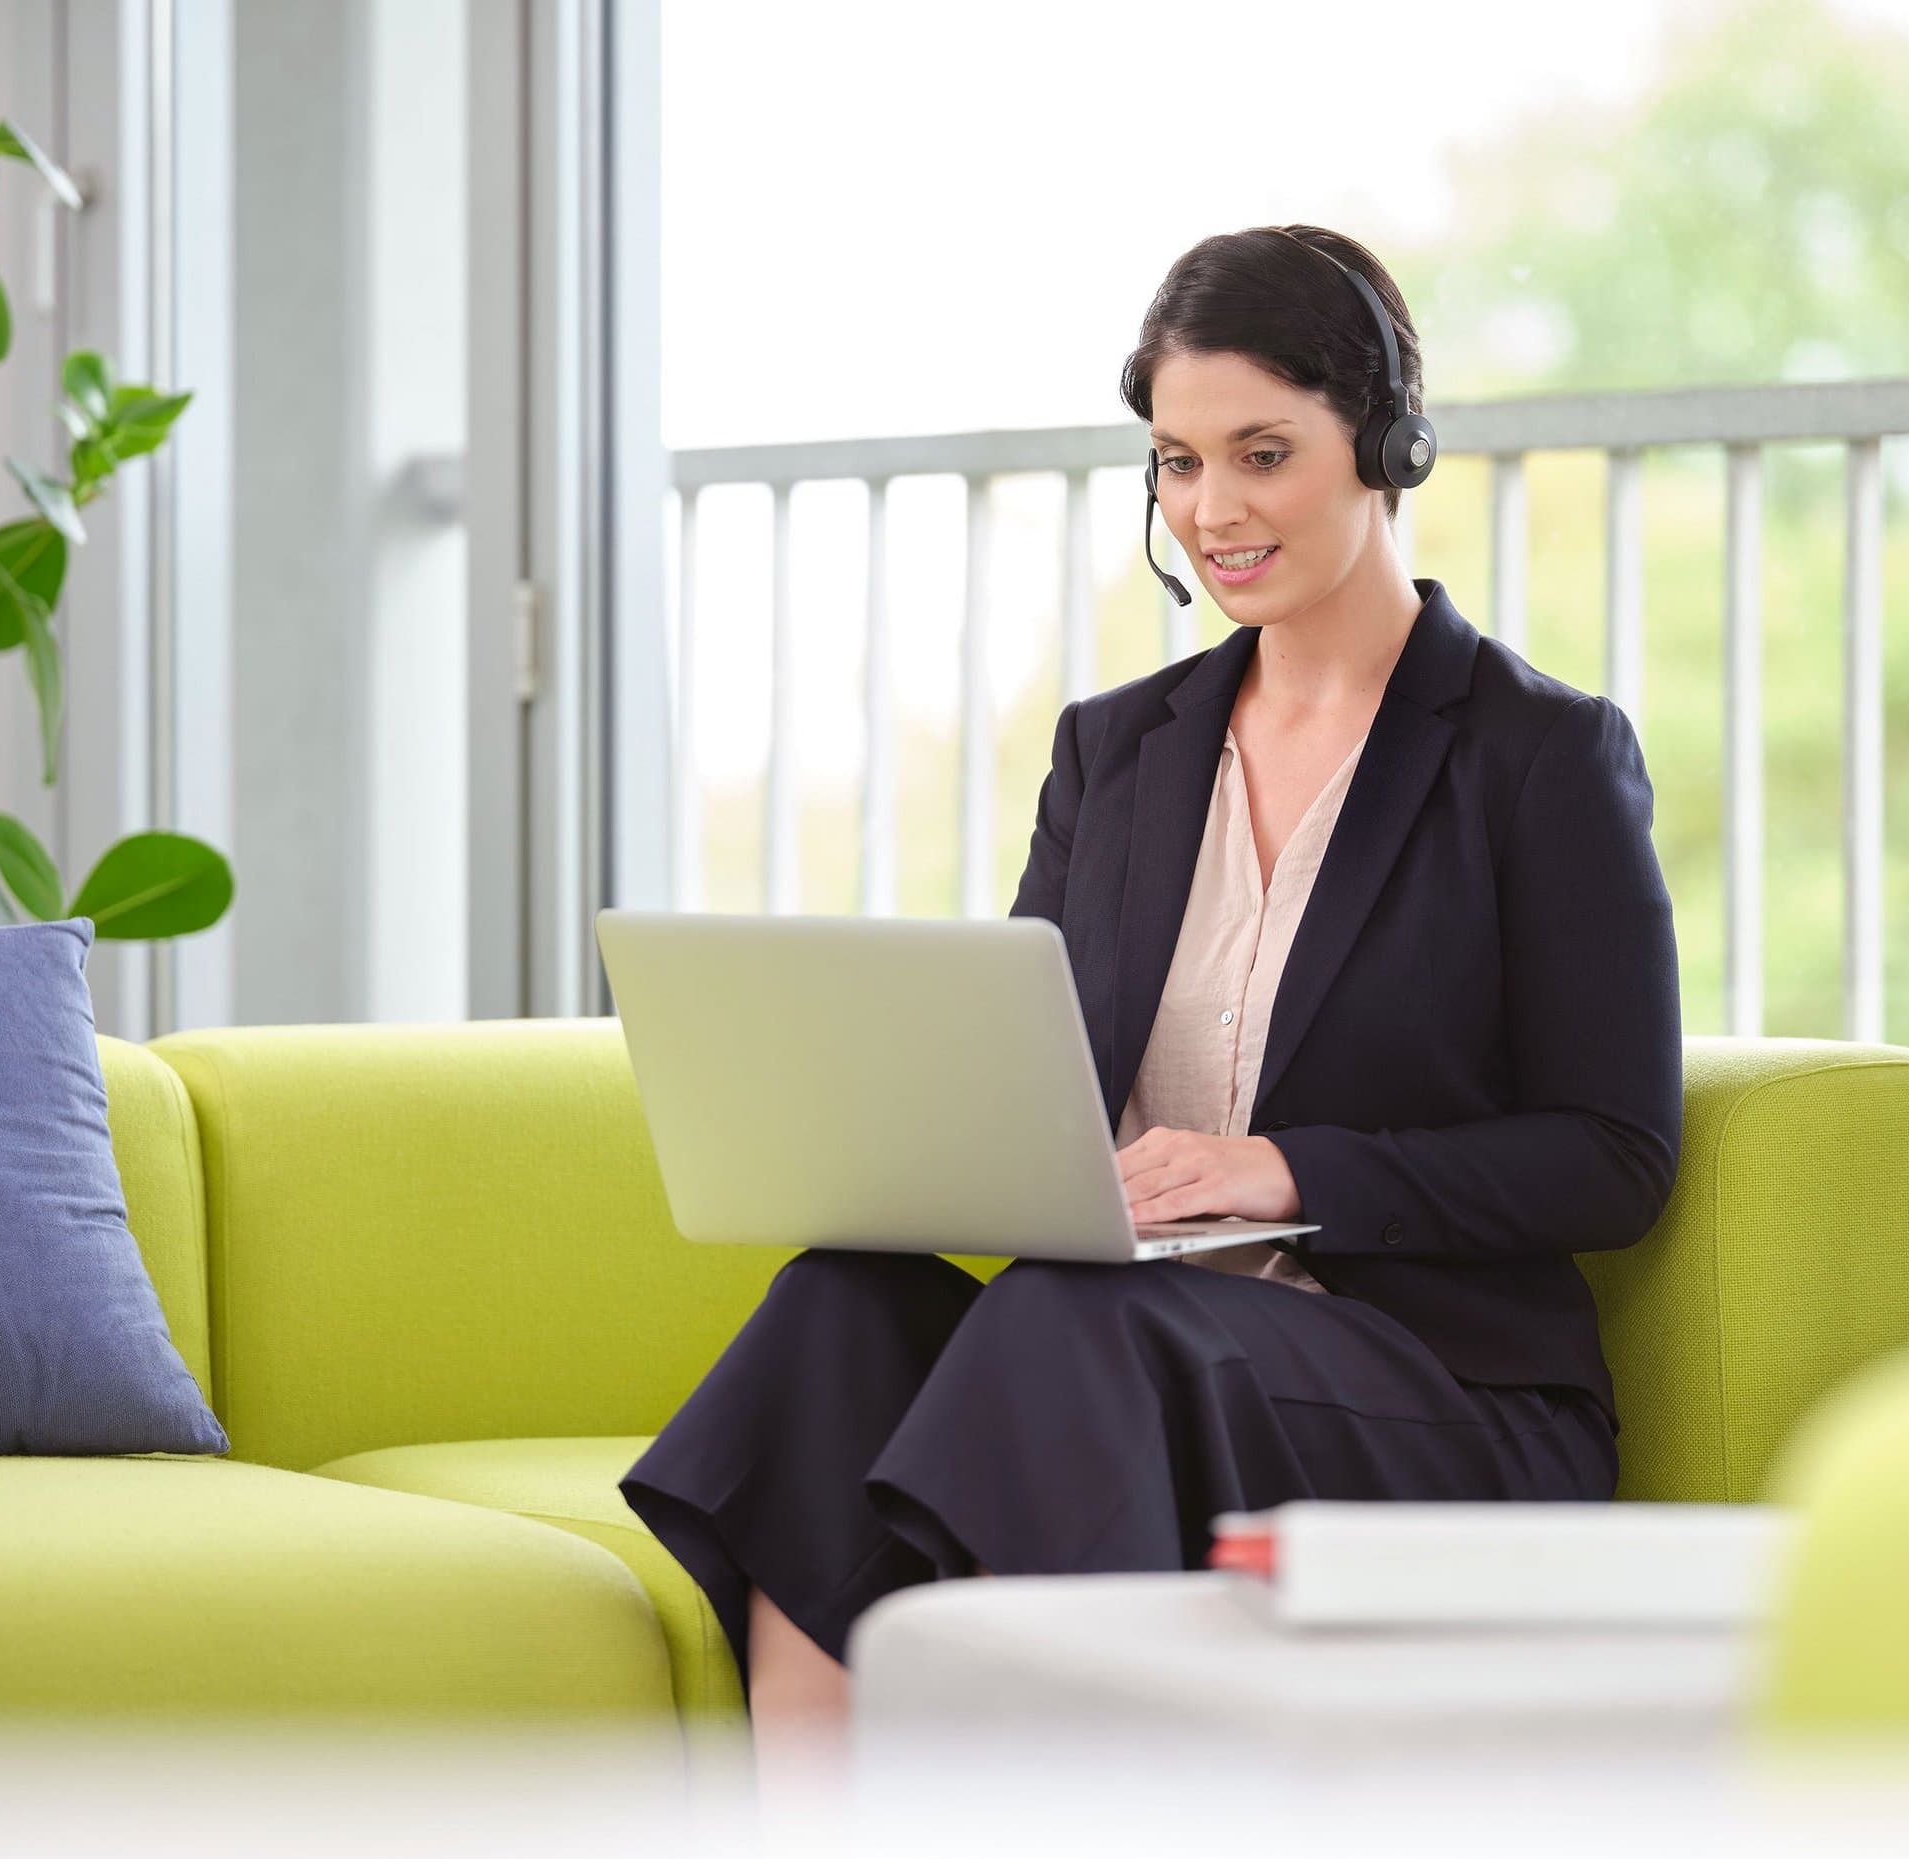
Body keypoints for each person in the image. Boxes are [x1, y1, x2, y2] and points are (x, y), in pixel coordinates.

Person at [618, 223, 1682, 1750]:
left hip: (1435, 1386)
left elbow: (1615, 1152)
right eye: (1178, 462)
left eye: (1263, 453)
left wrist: (1281, 1167)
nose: (1212, 511)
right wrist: (928, 1150)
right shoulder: (1116, 753)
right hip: (1139, 1344)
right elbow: (1030, 1070)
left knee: (1068, 1329)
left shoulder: (1536, 755)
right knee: (838, 1310)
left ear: (1386, 444)